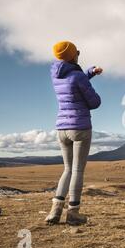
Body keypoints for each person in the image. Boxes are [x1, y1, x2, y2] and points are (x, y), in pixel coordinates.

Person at [45, 41, 102, 225]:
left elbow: (75, 80)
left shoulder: (56, 75)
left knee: (67, 169)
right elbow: (94, 102)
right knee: (77, 170)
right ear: (72, 56)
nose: (78, 53)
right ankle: (73, 213)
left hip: (62, 129)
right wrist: (91, 88)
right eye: (76, 52)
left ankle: (55, 212)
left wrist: (90, 72)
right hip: (80, 128)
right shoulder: (77, 77)